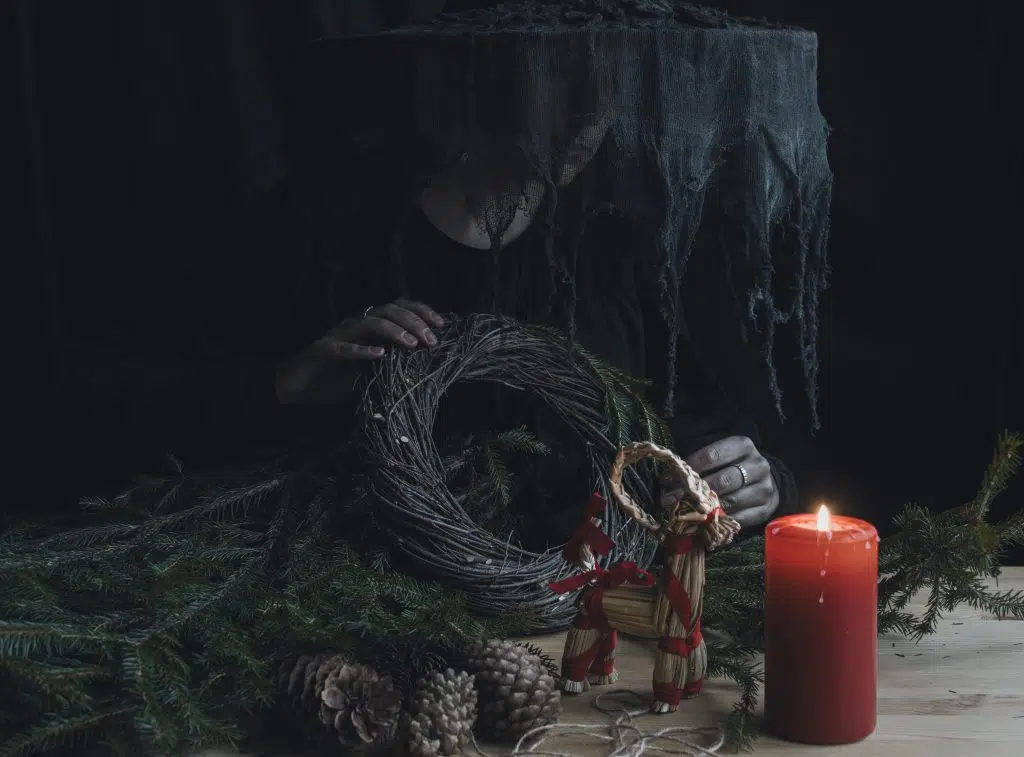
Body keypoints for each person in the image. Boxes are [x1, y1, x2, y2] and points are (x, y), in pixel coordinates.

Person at [274, 113, 794, 534]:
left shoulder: (615, 236)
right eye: (559, 78)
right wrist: (287, 383)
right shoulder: (336, 227)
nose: (587, 115)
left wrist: (754, 483)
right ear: (492, 67)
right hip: (382, 603)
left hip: (603, 598)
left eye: (607, 81)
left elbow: (704, 432)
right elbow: (210, 412)